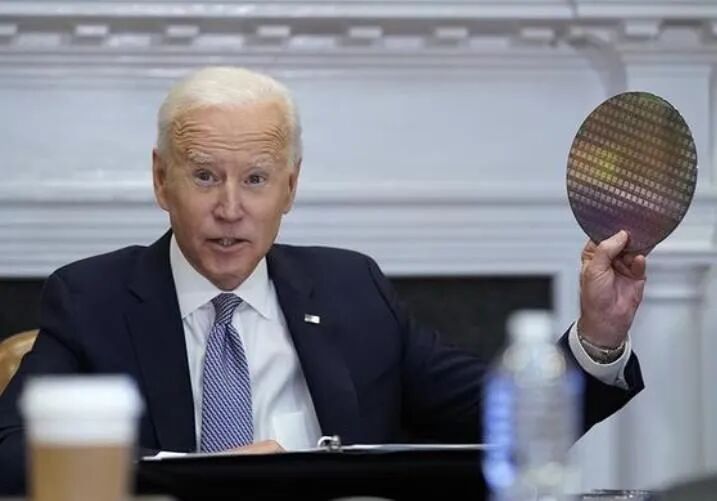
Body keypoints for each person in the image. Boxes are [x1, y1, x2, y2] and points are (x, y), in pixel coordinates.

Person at [0, 67, 646, 493]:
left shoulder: (350, 288)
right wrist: (197, 478)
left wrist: (598, 335)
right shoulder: (93, 298)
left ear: (290, 186)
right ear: (160, 180)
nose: (230, 208)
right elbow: (9, 454)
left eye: (256, 178)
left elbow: (503, 421)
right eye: (204, 176)